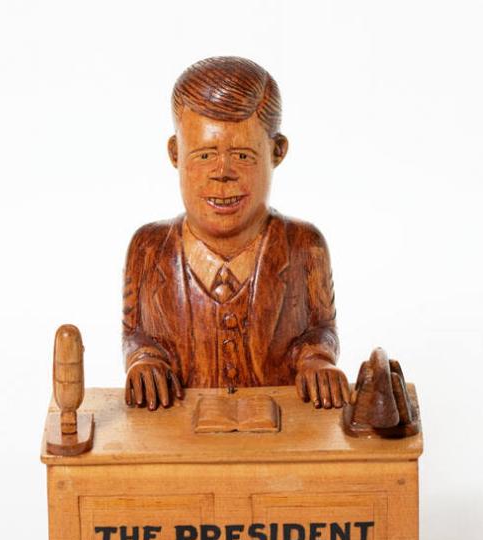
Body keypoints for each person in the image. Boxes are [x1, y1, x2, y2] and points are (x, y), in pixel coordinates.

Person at [123, 56, 350, 410]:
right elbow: (136, 334)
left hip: (280, 441)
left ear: (277, 152)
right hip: (180, 438)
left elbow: (321, 328)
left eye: (243, 156)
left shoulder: (304, 246)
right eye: (203, 156)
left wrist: (316, 361)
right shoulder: (149, 249)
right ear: (175, 153)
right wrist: (144, 362)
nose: (222, 173)